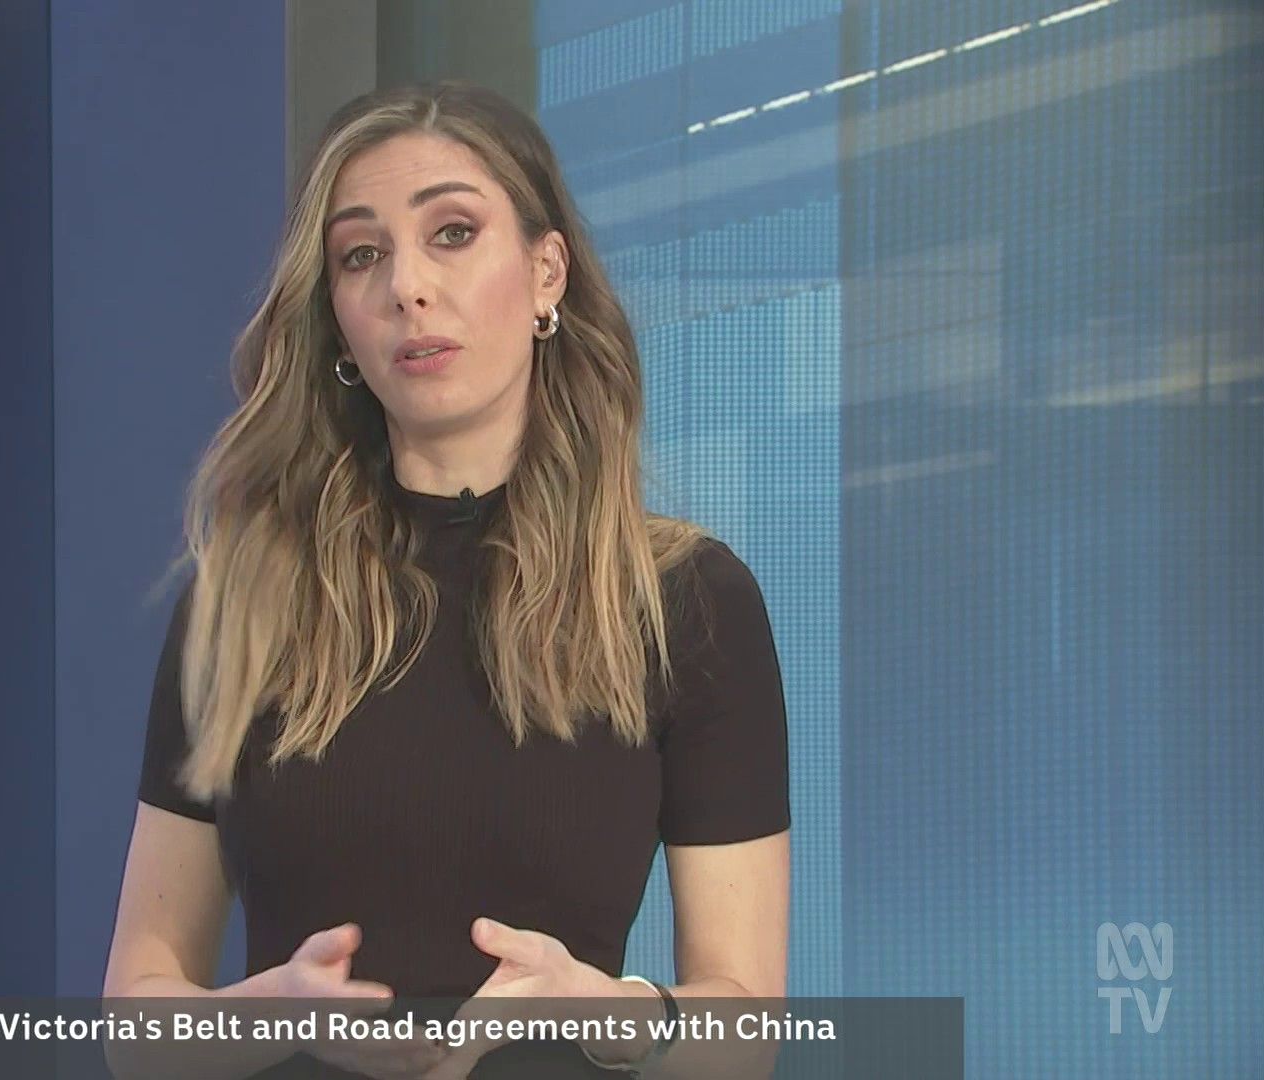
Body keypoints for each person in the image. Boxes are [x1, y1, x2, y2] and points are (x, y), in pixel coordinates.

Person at [103, 80, 790, 1080]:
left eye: (453, 234)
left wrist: (603, 1011)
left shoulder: (686, 599)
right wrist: (278, 1014)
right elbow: (135, 1024)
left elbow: (746, 1032)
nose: (408, 287)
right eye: (361, 255)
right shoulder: (243, 605)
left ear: (547, 271)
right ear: (337, 317)